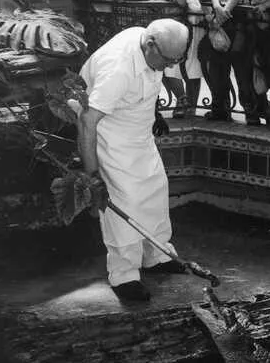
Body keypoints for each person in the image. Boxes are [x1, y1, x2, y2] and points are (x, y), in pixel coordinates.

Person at [77, 19, 190, 302]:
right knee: (124, 200)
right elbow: (87, 121)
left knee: (155, 189)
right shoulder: (118, 69)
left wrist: (155, 114)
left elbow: (151, 78)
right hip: (111, 134)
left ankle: (157, 255)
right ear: (151, 45)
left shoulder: (148, 41)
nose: (170, 65)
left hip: (138, 130)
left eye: (177, 59)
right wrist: (93, 175)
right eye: (167, 60)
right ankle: (124, 275)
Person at [158, 0, 212, 118]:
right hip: (173, 29)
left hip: (196, 27)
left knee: (192, 66)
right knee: (169, 68)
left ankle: (192, 105)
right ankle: (181, 98)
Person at [205, 0, 254, 122]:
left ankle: (251, 111)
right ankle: (221, 109)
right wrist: (217, 6)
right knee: (218, 68)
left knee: (242, 69)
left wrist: (225, 11)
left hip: (240, 21)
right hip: (221, 19)